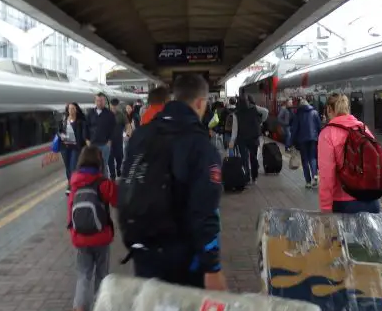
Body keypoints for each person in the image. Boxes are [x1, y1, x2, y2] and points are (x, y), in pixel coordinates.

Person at [120, 73, 226, 291]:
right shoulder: (200, 146)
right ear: (200, 102)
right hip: (182, 258)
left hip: (143, 250)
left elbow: (126, 184)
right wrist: (212, 267)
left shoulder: (141, 135)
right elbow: (204, 210)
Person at [68, 146, 118, 311]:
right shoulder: (102, 182)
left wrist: (73, 233)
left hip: (80, 238)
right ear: (99, 162)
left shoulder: (74, 183)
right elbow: (117, 199)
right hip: (101, 236)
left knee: (83, 276)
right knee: (102, 276)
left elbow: (70, 210)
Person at [318, 93, 380, 213]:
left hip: (345, 204)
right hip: (372, 201)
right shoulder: (363, 128)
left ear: (329, 109)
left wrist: (325, 209)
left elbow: (327, 177)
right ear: (348, 109)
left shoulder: (328, 134)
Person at [228, 96, 268, 185]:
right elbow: (266, 111)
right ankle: (254, 177)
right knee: (253, 157)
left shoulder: (236, 113)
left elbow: (235, 130)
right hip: (253, 138)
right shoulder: (254, 108)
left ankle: (246, 177)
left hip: (242, 139)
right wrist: (261, 121)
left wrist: (232, 141)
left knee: (244, 158)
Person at [291, 98, 322, 188]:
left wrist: (291, 142)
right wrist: (320, 138)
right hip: (313, 139)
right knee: (313, 157)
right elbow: (319, 126)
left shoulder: (298, 114)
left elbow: (295, 129)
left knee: (305, 160)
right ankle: (315, 175)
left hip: (302, 140)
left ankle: (308, 182)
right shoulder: (315, 113)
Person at [60, 103, 87, 196]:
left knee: (73, 166)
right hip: (65, 148)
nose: (71, 110)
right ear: (67, 110)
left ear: (76, 109)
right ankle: (70, 182)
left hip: (76, 147)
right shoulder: (64, 120)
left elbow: (84, 135)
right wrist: (62, 137)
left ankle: (72, 185)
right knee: (68, 167)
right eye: (69, 108)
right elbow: (60, 131)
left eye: (73, 108)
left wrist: (86, 146)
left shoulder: (81, 121)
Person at [85, 93, 116, 176]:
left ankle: (104, 183)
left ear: (104, 101)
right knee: (93, 165)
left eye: (101, 100)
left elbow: (113, 129)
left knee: (103, 165)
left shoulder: (110, 114)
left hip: (105, 144)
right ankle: (95, 183)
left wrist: (110, 140)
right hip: (92, 144)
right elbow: (86, 127)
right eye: (98, 101)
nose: (100, 102)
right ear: (95, 101)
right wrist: (87, 140)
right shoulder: (90, 113)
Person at [109, 98, 127, 180]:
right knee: (110, 158)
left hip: (118, 140)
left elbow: (127, 124)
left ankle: (118, 168)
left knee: (119, 157)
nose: (114, 107)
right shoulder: (106, 114)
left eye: (115, 105)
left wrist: (127, 133)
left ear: (118, 106)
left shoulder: (121, 115)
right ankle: (112, 174)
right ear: (110, 105)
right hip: (108, 141)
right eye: (113, 105)